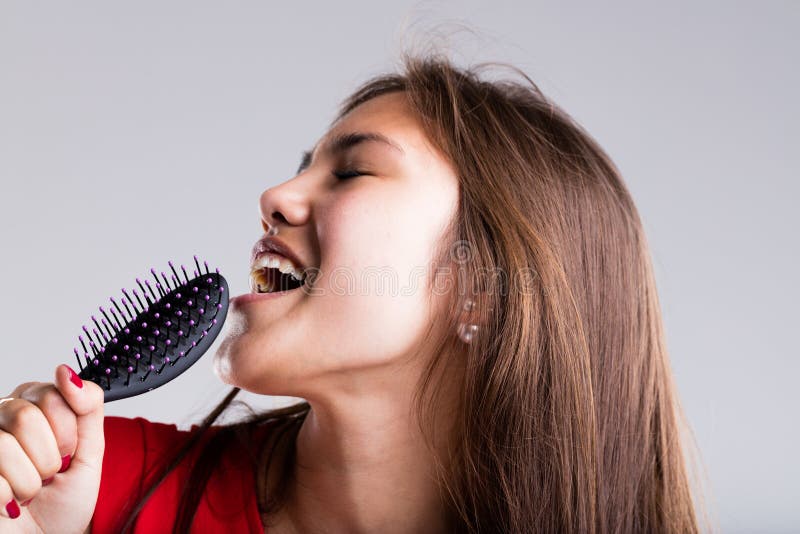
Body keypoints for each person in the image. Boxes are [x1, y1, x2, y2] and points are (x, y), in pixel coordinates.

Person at [0, 51, 705, 533]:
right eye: (303, 167)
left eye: (353, 173)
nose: (273, 197)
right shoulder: (85, 486)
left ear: (482, 291)